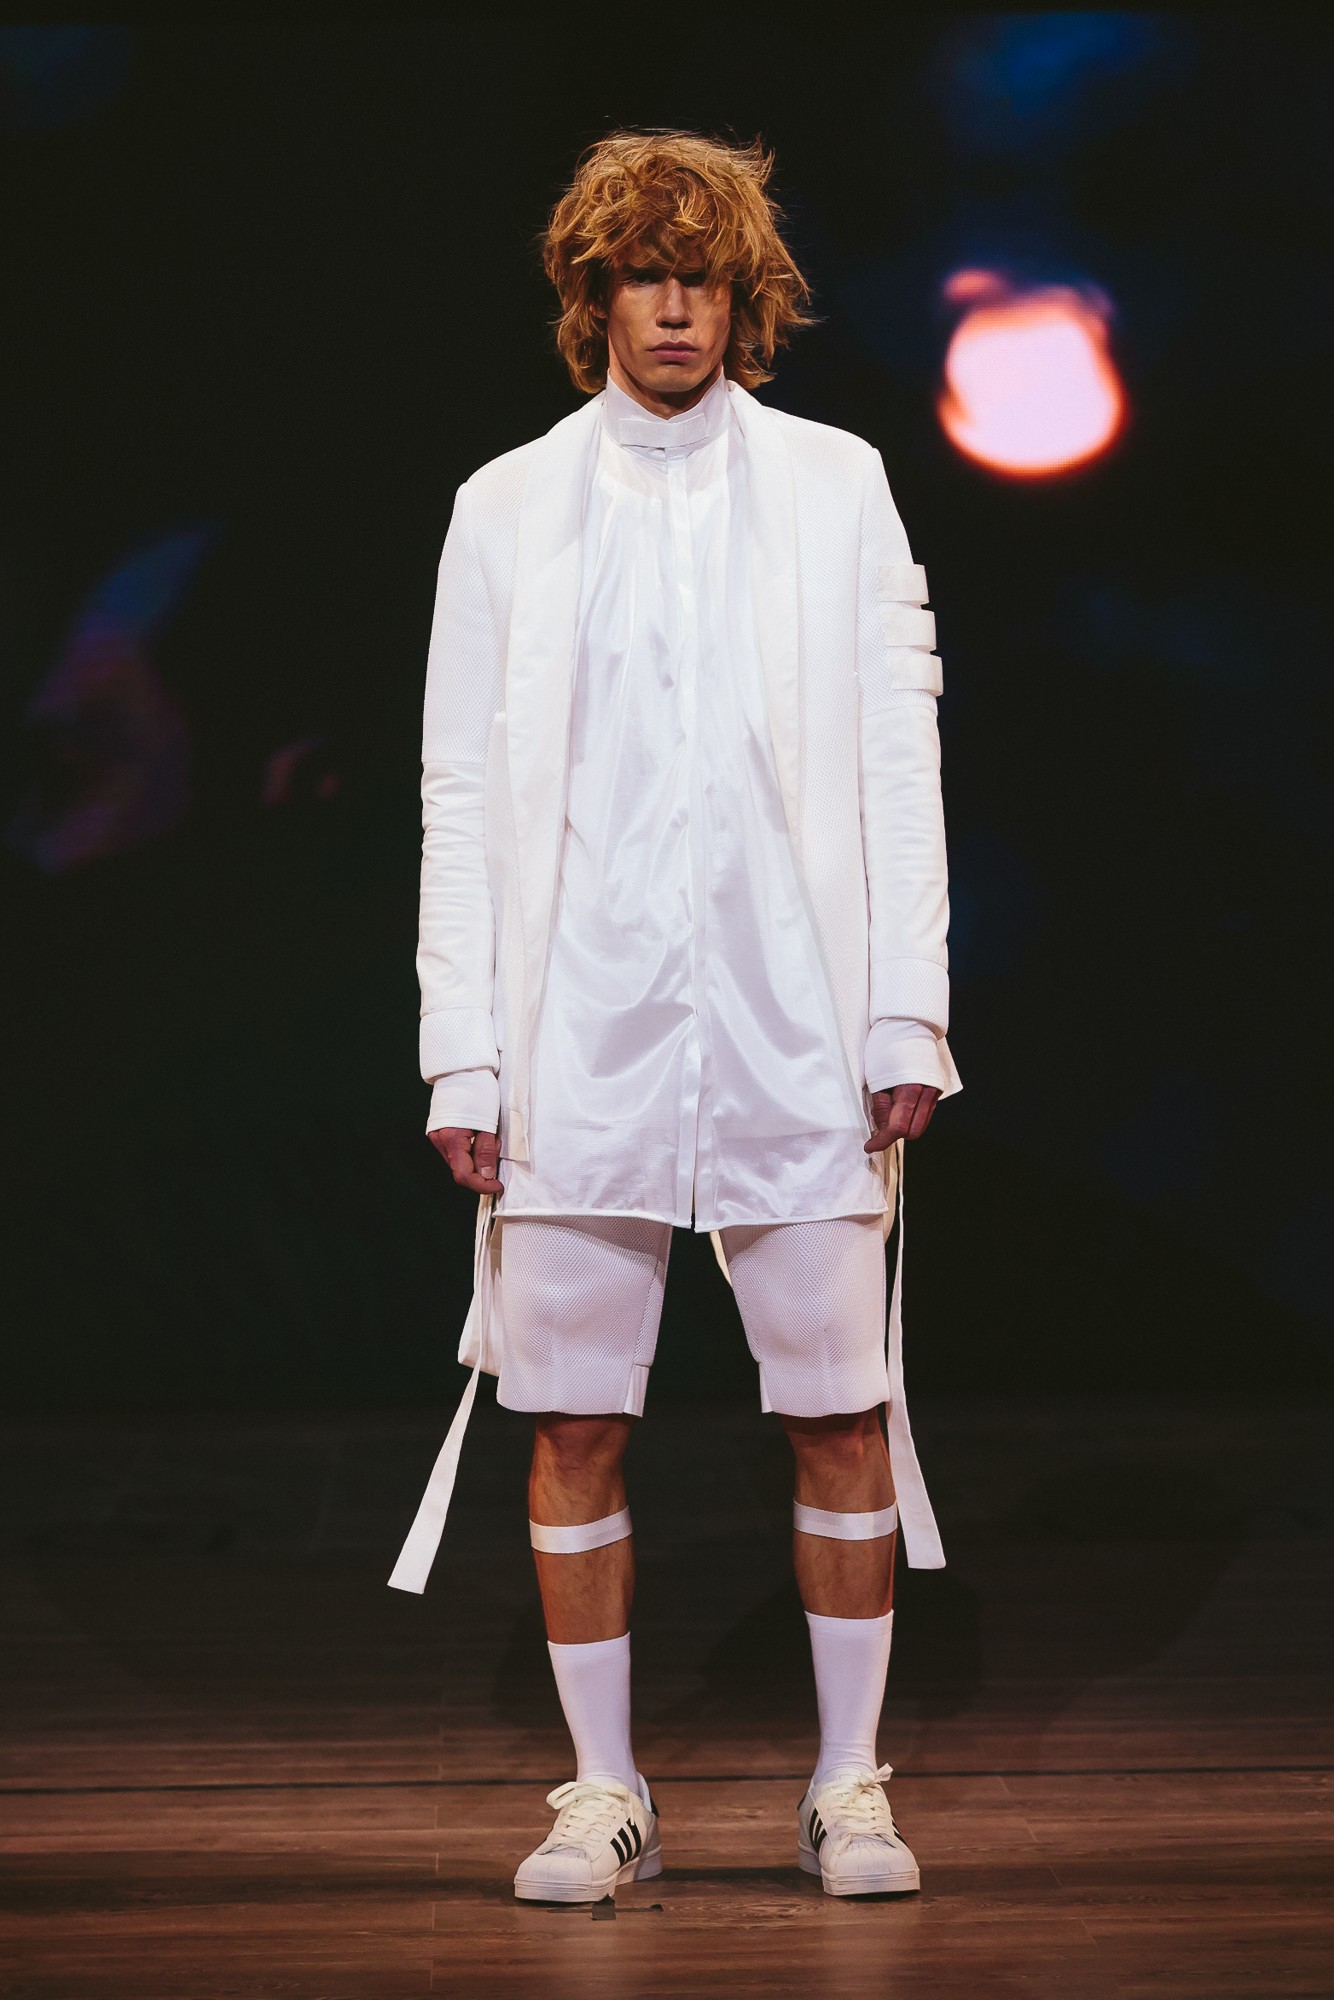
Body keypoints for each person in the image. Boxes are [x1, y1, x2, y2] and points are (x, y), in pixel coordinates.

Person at [389, 130, 962, 1904]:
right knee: (570, 1417)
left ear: (743, 297)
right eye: (642, 277)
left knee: (840, 1408)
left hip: (797, 1021)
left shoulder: (838, 485)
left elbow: (898, 766)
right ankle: (602, 1794)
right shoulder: (505, 506)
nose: (672, 309)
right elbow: (460, 795)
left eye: (699, 278)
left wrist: (905, 1014)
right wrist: (464, 1047)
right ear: (594, 297)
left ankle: (848, 1785)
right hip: (582, 1025)